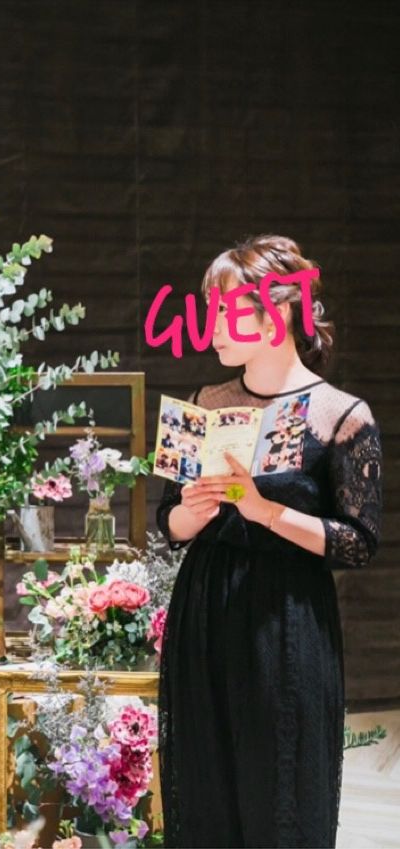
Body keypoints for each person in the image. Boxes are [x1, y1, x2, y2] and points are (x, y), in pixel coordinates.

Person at [156, 235, 382, 846]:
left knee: (283, 794)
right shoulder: (206, 403)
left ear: (278, 312)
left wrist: (265, 512)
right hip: (206, 612)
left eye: (225, 310)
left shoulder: (341, 414)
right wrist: (193, 511)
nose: (211, 326)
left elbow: (359, 541)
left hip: (288, 621)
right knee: (205, 792)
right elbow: (167, 524)